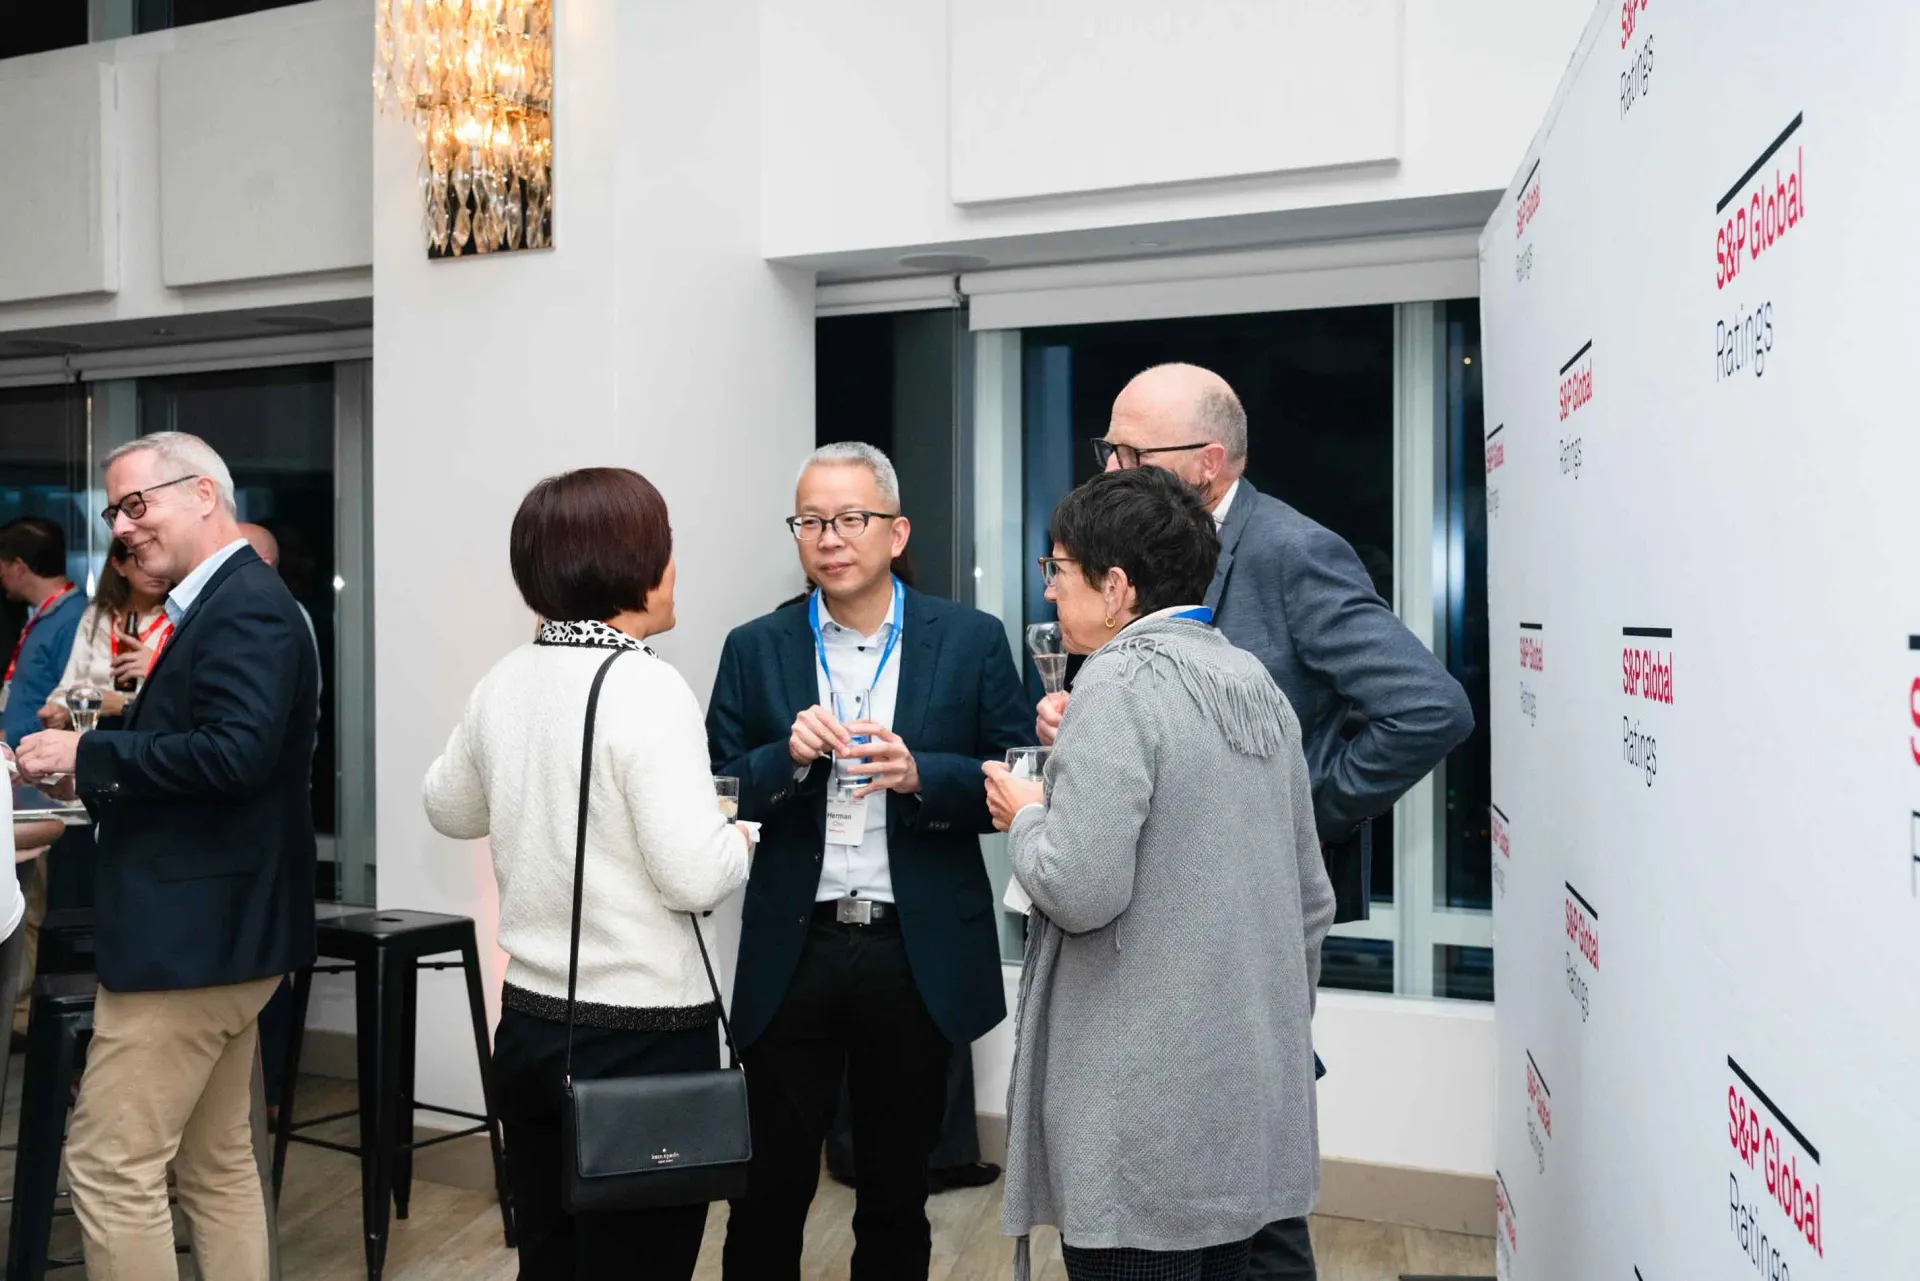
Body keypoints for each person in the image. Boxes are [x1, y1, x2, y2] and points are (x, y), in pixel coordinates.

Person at [1038, 363, 1474, 1280]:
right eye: (1106, 447)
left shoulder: (1288, 549)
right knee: (1231, 1187)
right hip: (1162, 936)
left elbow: (1427, 708)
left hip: (1246, 924)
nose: (1109, 467)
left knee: (1248, 1190)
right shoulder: (1153, 569)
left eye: (1129, 450)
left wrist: (1288, 814)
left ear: (1206, 459)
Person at [985, 466, 1336, 1281]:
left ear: (1115, 587)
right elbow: (1310, 899)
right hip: (1243, 1103)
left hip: (1140, 1124)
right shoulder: (1253, 681)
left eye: (1057, 571)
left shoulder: (1117, 679)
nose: (1048, 594)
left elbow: (1078, 888)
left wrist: (1027, 814)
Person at [708, 442, 1030, 1280]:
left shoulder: (968, 639)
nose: (829, 537)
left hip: (910, 952)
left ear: (896, 531)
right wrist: (784, 757)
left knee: (895, 1195)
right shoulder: (757, 645)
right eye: (811, 520)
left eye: (852, 518)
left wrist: (927, 773)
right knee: (768, 1190)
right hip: (796, 946)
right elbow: (714, 788)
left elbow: (1019, 771)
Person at [423, 467, 753, 1281]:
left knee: (549, 1259)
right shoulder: (646, 684)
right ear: (631, 566)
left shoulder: (506, 679)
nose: (675, 569)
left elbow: (447, 806)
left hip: (532, 1026)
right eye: (666, 550)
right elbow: (690, 876)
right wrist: (741, 835)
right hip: (638, 1039)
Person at [13, 431, 318, 1281]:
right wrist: (97, 763)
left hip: (190, 943)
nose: (123, 527)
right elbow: (208, 752)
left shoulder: (245, 604)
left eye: (137, 503)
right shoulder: (224, 602)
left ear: (204, 494)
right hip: (220, 935)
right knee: (216, 1168)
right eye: (113, 510)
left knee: (111, 1170)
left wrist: (90, 758)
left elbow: (234, 755)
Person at [39, 538, 172, 729]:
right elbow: (72, 682)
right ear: (119, 566)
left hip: (150, 730)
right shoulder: (97, 616)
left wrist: (156, 666)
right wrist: (57, 709)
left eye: (163, 557)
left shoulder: (180, 616)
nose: (156, 569)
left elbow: (187, 696)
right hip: (96, 727)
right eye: (142, 558)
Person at [0, 516, 86, 747]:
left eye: (2, 568)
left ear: (19, 567)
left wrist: (8, 737)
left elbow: (69, 706)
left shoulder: (75, 618)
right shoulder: (46, 615)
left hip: (41, 765)